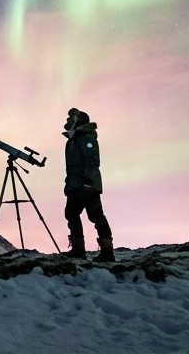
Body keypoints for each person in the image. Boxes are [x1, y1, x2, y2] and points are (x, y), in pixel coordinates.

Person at [63, 107, 114, 261]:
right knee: (72, 213)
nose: (67, 121)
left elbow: (92, 159)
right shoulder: (76, 138)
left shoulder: (85, 137)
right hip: (76, 184)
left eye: (71, 118)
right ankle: (80, 251)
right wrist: (69, 182)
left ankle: (106, 252)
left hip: (86, 185)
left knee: (96, 216)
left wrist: (88, 181)